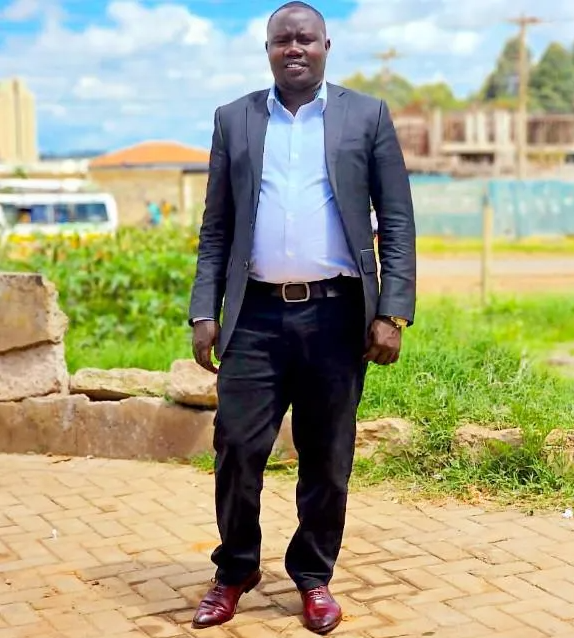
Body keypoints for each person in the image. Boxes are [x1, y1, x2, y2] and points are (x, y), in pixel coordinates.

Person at [188, 1, 416, 634]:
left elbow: (397, 221)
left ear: (326, 46)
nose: (294, 48)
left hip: (337, 317)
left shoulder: (366, 115)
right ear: (267, 49)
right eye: (282, 40)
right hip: (255, 316)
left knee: (327, 455)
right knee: (237, 447)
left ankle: (313, 577)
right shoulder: (234, 119)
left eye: (306, 39)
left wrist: (393, 312)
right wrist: (204, 308)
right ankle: (236, 569)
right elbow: (216, 227)